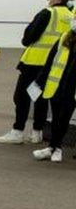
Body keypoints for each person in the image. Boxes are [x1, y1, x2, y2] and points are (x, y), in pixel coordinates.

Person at [0, 0, 74, 144]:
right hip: (55, 65)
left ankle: (17, 131)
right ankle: (37, 132)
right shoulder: (71, 16)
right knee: (41, 99)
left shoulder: (47, 13)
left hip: (34, 62)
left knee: (21, 97)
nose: (48, 0)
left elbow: (28, 37)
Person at [33, 23, 76, 162]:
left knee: (64, 118)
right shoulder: (64, 37)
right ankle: (53, 147)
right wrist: (40, 80)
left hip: (72, 88)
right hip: (57, 84)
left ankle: (56, 147)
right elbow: (50, 61)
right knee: (56, 118)